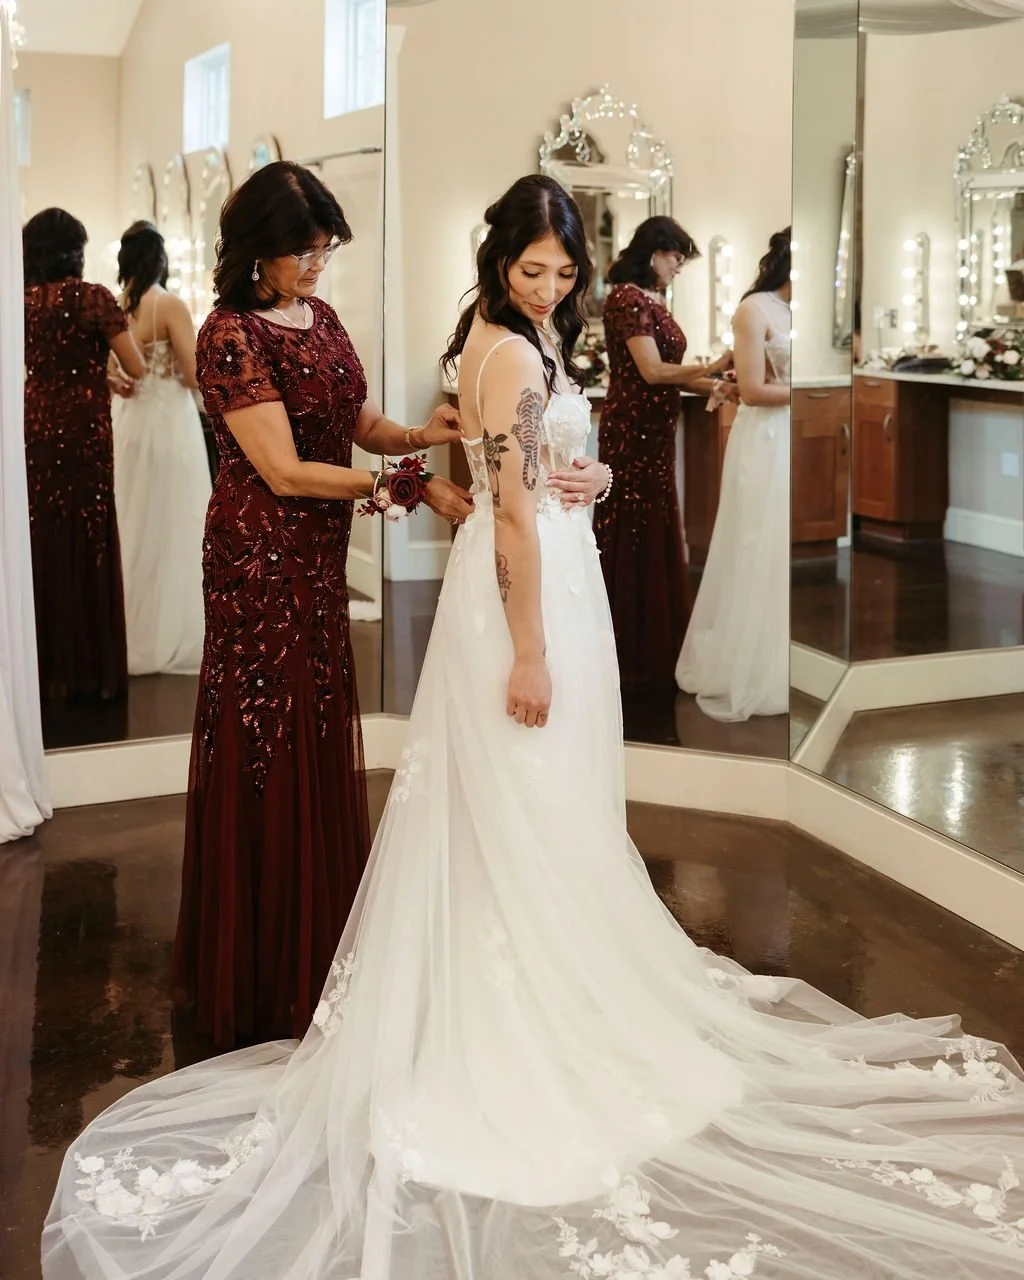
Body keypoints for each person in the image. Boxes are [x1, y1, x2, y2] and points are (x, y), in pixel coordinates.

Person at [43, 180, 1024, 1280]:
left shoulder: (508, 337)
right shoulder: (462, 346)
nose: (551, 288)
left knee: (526, 796)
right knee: (499, 785)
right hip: (429, 579)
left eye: (564, 272)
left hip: (513, 571)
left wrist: (541, 469)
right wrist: (518, 630)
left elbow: (477, 457)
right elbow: (431, 491)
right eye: (532, 271)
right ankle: (423, 991)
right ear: (500, 264)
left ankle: (466, 967)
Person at [170, 161, 474, 1050]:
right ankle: (261, 962)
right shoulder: (229, 335)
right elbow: (283, 470)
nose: (315, 264)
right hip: (258, 560)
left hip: (316, 556)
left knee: (314, 723)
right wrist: (403, 487)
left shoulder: (324, 318)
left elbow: (355, 421)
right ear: (255, 251)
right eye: (301, 251)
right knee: (267, 738)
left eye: (325, 248)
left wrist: (419, 435)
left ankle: (316, 940)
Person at [593, 217, 732, 693]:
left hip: (656, 431)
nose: (677, 267)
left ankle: (655, 641)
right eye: (675, 258)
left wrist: (714, 385)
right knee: (633, 525)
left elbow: (667, 374)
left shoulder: (651, 300)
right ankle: (628, 646)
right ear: (654, 253)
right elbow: (651, 371)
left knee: (654, 522)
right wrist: (713, 365)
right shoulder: (626, 299)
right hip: (631, 432)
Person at [22, 208, 145, 705]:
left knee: (42, 530)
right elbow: (136, 365)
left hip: (36, 426)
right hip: (86, 429)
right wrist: (102, 371)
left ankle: (44, 666)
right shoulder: (94, 298)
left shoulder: (21, 302)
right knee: (89, 531)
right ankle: (91, 669)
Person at [676, 229, 792, 721]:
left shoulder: (805, 312)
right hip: (765, 435)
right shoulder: (754, 309)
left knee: (783, 545)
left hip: (791, 431)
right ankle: (744, 663)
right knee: (754, 541)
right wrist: (808, 391)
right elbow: (754, 389)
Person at [110, 221, 210, 676]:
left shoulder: (118, 305)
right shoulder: (168, 304)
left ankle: (127, 627)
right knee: (174, 519)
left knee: (132, 518)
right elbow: (191, 374)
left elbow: (113, 371)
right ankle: (169, 628)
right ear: (161, 258)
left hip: (129, 422)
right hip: (169, 423)